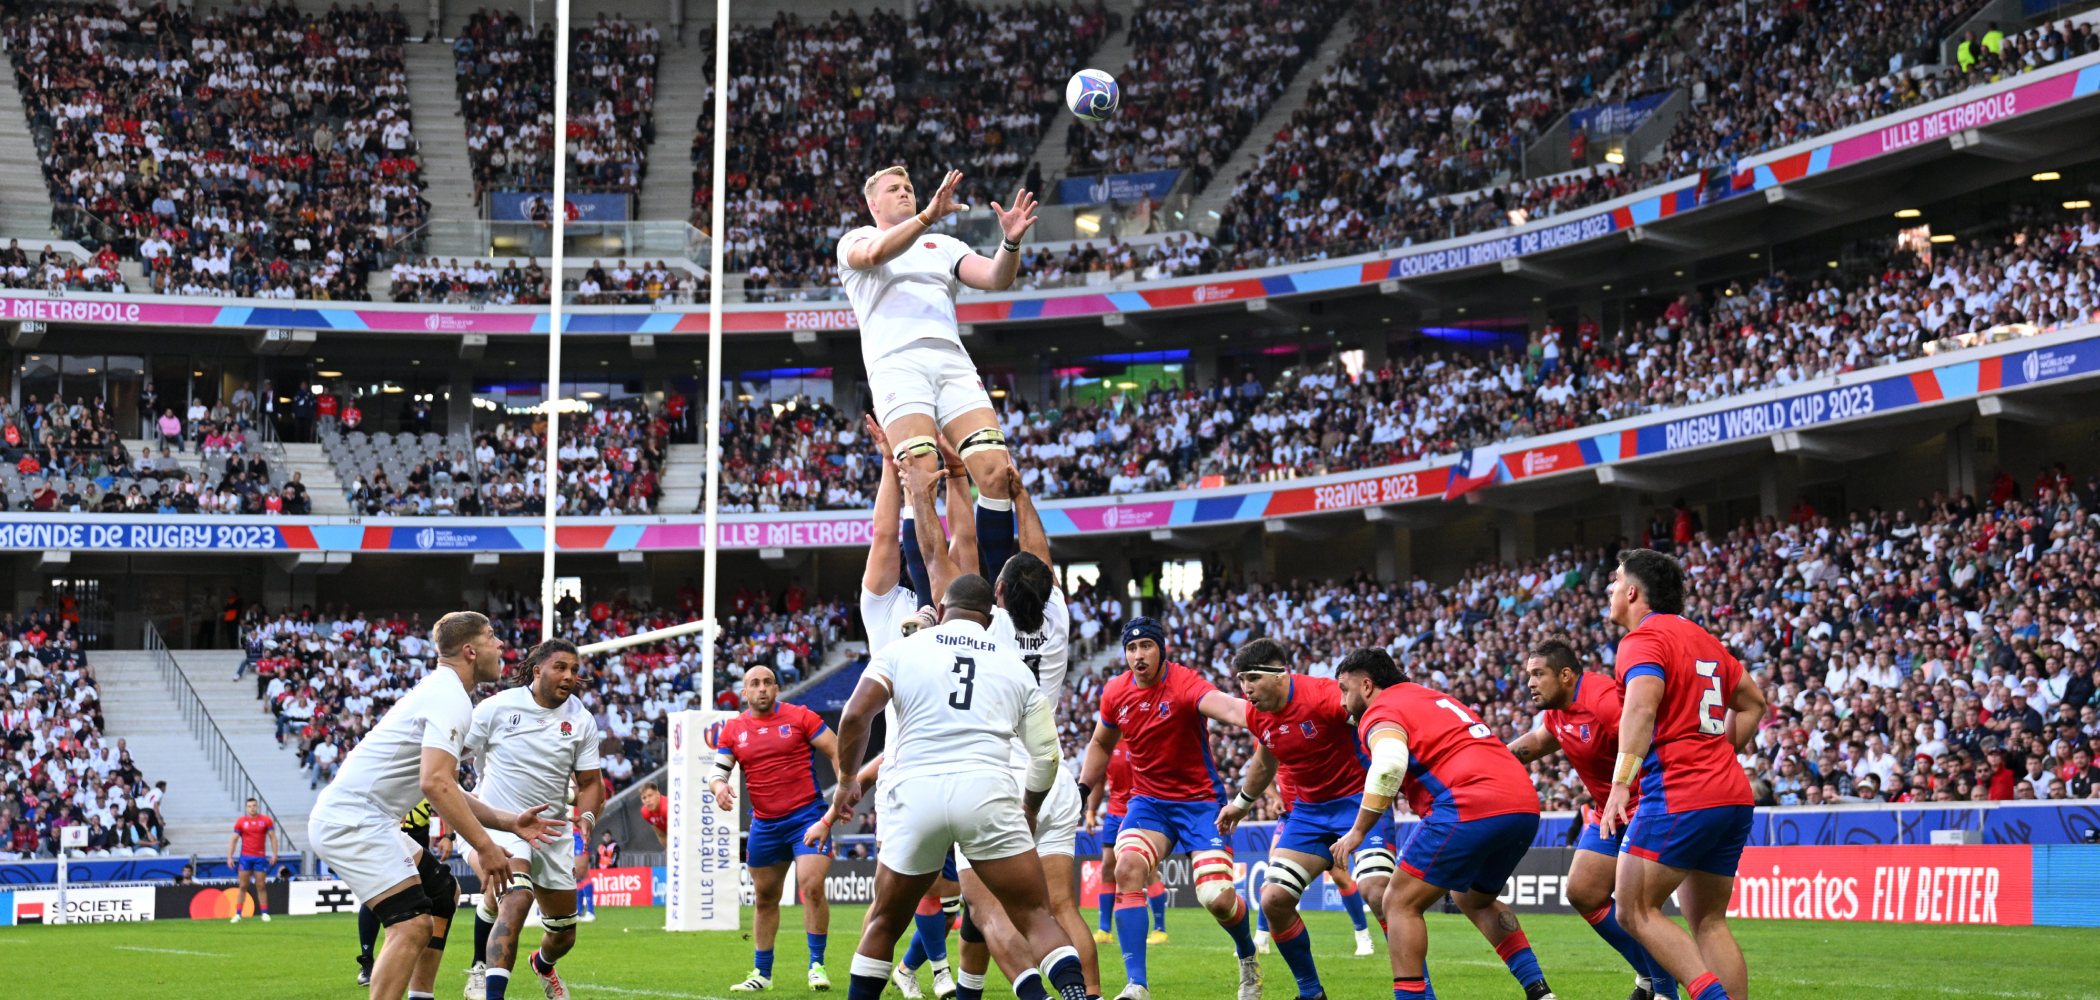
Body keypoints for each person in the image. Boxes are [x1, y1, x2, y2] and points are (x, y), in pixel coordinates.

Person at [828, 573, 1089, 1000]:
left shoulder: (902, 650)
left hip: (916, 794)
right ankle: (1076, 995)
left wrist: (844, 782)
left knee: (884, 921)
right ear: (989, 620)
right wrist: (1027, 808)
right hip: (985, 792)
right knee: (1036, 915)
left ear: (942, 611)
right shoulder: (1014, 666)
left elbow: (855, 717)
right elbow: (1046, 755)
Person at [898, 461, 1101, 999]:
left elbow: (934, 558)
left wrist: (922, 496)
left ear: (1000, 591)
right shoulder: (1056, 618)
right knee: (1057, 908)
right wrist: (1022, 495)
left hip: (998, 777)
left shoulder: (983, 630)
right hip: (1053, 774)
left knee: (989, 911)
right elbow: (1040, 559)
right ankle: (1090, 996)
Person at [307, 612, 564, 1000]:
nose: (500, 645)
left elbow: (444, 787)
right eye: (492, 637)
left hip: (367, 818)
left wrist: (509, 822)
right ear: (469, 651)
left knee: (443, 892)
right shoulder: (450, 697)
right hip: (353, 821)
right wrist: (485, 846)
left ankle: (421, 996)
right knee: (411, 927)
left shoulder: (444, 692)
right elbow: (435, 783)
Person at [837, 166, 1039, 594]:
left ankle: (1001, 600)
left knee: (995, 471)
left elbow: (996, 277)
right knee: (921, 475)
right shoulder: (855, 240)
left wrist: (1011, 241)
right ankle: (934, 603)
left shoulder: (942, 244)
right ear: (874, 204)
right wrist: (927, 215)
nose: (905, 192)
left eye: (909, 187)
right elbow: (874, 257)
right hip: (897, 363)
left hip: (952, 362)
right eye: (894, 189)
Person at [1331, 647, 1558, 1000]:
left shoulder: (1380, 709)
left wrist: (1358, 831)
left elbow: (1389, 765)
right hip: (1523, 803)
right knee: (1473, 899)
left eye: (1344, 690)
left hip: (1470, 802)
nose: (1342, 701)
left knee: (1399, 903)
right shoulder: (1430, 696)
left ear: (1366, 685)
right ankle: (1539, 991)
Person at [1597, 550, 1769, 1000]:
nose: (1610, 589)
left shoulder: (1643, 639)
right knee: (1709, 922)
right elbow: (1755, 703)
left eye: (1615, 581)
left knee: (1633, 909)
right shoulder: (1704, 639)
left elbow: (1641, 707)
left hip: (1680, 793)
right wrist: (1720, 752)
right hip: (1730, 794)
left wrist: (1619, 784)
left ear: (1633, 591)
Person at [1076, 617, 1262, 1000]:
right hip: (1149, 804)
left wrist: (1263, 714)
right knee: (1126, 867)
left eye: (1146, 645)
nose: (1138, 655)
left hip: (1200, 805)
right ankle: (1137, 985)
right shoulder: (1114, 692)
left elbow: (1227, 707)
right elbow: (1099, 743)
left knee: (1218, 899)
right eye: (1131, 647)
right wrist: (1082, 790)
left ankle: (1247, 955)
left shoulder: (1184, 683)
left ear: (1162, 649)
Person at [1216, 638, 1390, 1000]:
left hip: (1358, 803)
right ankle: (1311, 993)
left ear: (1280, 675)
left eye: (1252, 678)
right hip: (1308, 813)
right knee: (1274, 900)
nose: (1245, 688)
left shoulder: (1326, 695)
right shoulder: (1256, 713)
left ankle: (1420, 991)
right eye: (1240, 679)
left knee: (1379, 893)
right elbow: (1265, 761)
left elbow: (1380, 719)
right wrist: (1241, 804)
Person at [1509, 637, 1678, 1000]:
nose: (1530, 683)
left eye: (1538, 674)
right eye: (1529, 675)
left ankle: (1666, 992)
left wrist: (1631, 789)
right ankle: (1649, 976)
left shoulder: (1603, 700)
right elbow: (1538, 742)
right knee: (1583, 892)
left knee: (1637, 908)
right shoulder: (1556, 713)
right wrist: (1485, 759)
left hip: (1647, 805)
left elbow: (1648, 736)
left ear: (1566, 675)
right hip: (1609, 811)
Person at [462, 639, 605, 1000]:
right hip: (501, 823)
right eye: (561, 667)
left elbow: (590, 783)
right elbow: (448, 755)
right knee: (517, 895)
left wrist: (586, 816)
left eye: (574, 670)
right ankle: (486, 981)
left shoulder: (581, 719)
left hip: (552, 833)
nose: (570, 676)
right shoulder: (496, 708)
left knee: (563, 934)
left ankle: (542, 964)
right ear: (537, 669)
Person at [715, 664, 843, 993]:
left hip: (808, 818)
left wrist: (844, 791)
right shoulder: (732, 730)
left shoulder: (801, 717)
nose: (762, 688)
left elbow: (837, 749)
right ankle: (762, 973)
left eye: (768, 683)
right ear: (744, 693)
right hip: (765, 825)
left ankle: (817, 964)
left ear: (776, 689)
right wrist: (718, 787)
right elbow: (718, 773)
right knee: (765, 898)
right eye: (754, 684)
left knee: (811, 885)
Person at [356, 799, 444, 989]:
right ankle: (367, 961)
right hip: (388, 836)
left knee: (428, 901)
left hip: (418, 842)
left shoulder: (427, 780)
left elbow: (446, 799)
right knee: (375, 894)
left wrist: (448, 837)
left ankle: (412, 961)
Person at [1086, 744, 1167, 946]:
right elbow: (1099, 780)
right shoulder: (1106, 743)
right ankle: (1104, 929)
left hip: (1139, 811)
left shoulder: (1139, 737)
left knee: (1148, 868)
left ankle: (1160, 929)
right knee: (1107, 866)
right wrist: (1091, 811)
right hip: (1114, 813)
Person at [227, 797, 277, 924]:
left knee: (260, 885)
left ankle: (264, 913)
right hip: (245, 857)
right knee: (243, 885)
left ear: (258, 807)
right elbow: (234, 840)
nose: (252, 808)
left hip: (260, 857)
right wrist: (230, 856)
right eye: (249, 806)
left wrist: (275, 854)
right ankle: (238, 914)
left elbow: (273, 837)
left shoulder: (266, 820)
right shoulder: (241, 821)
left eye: (254, 805)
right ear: (246, 808)